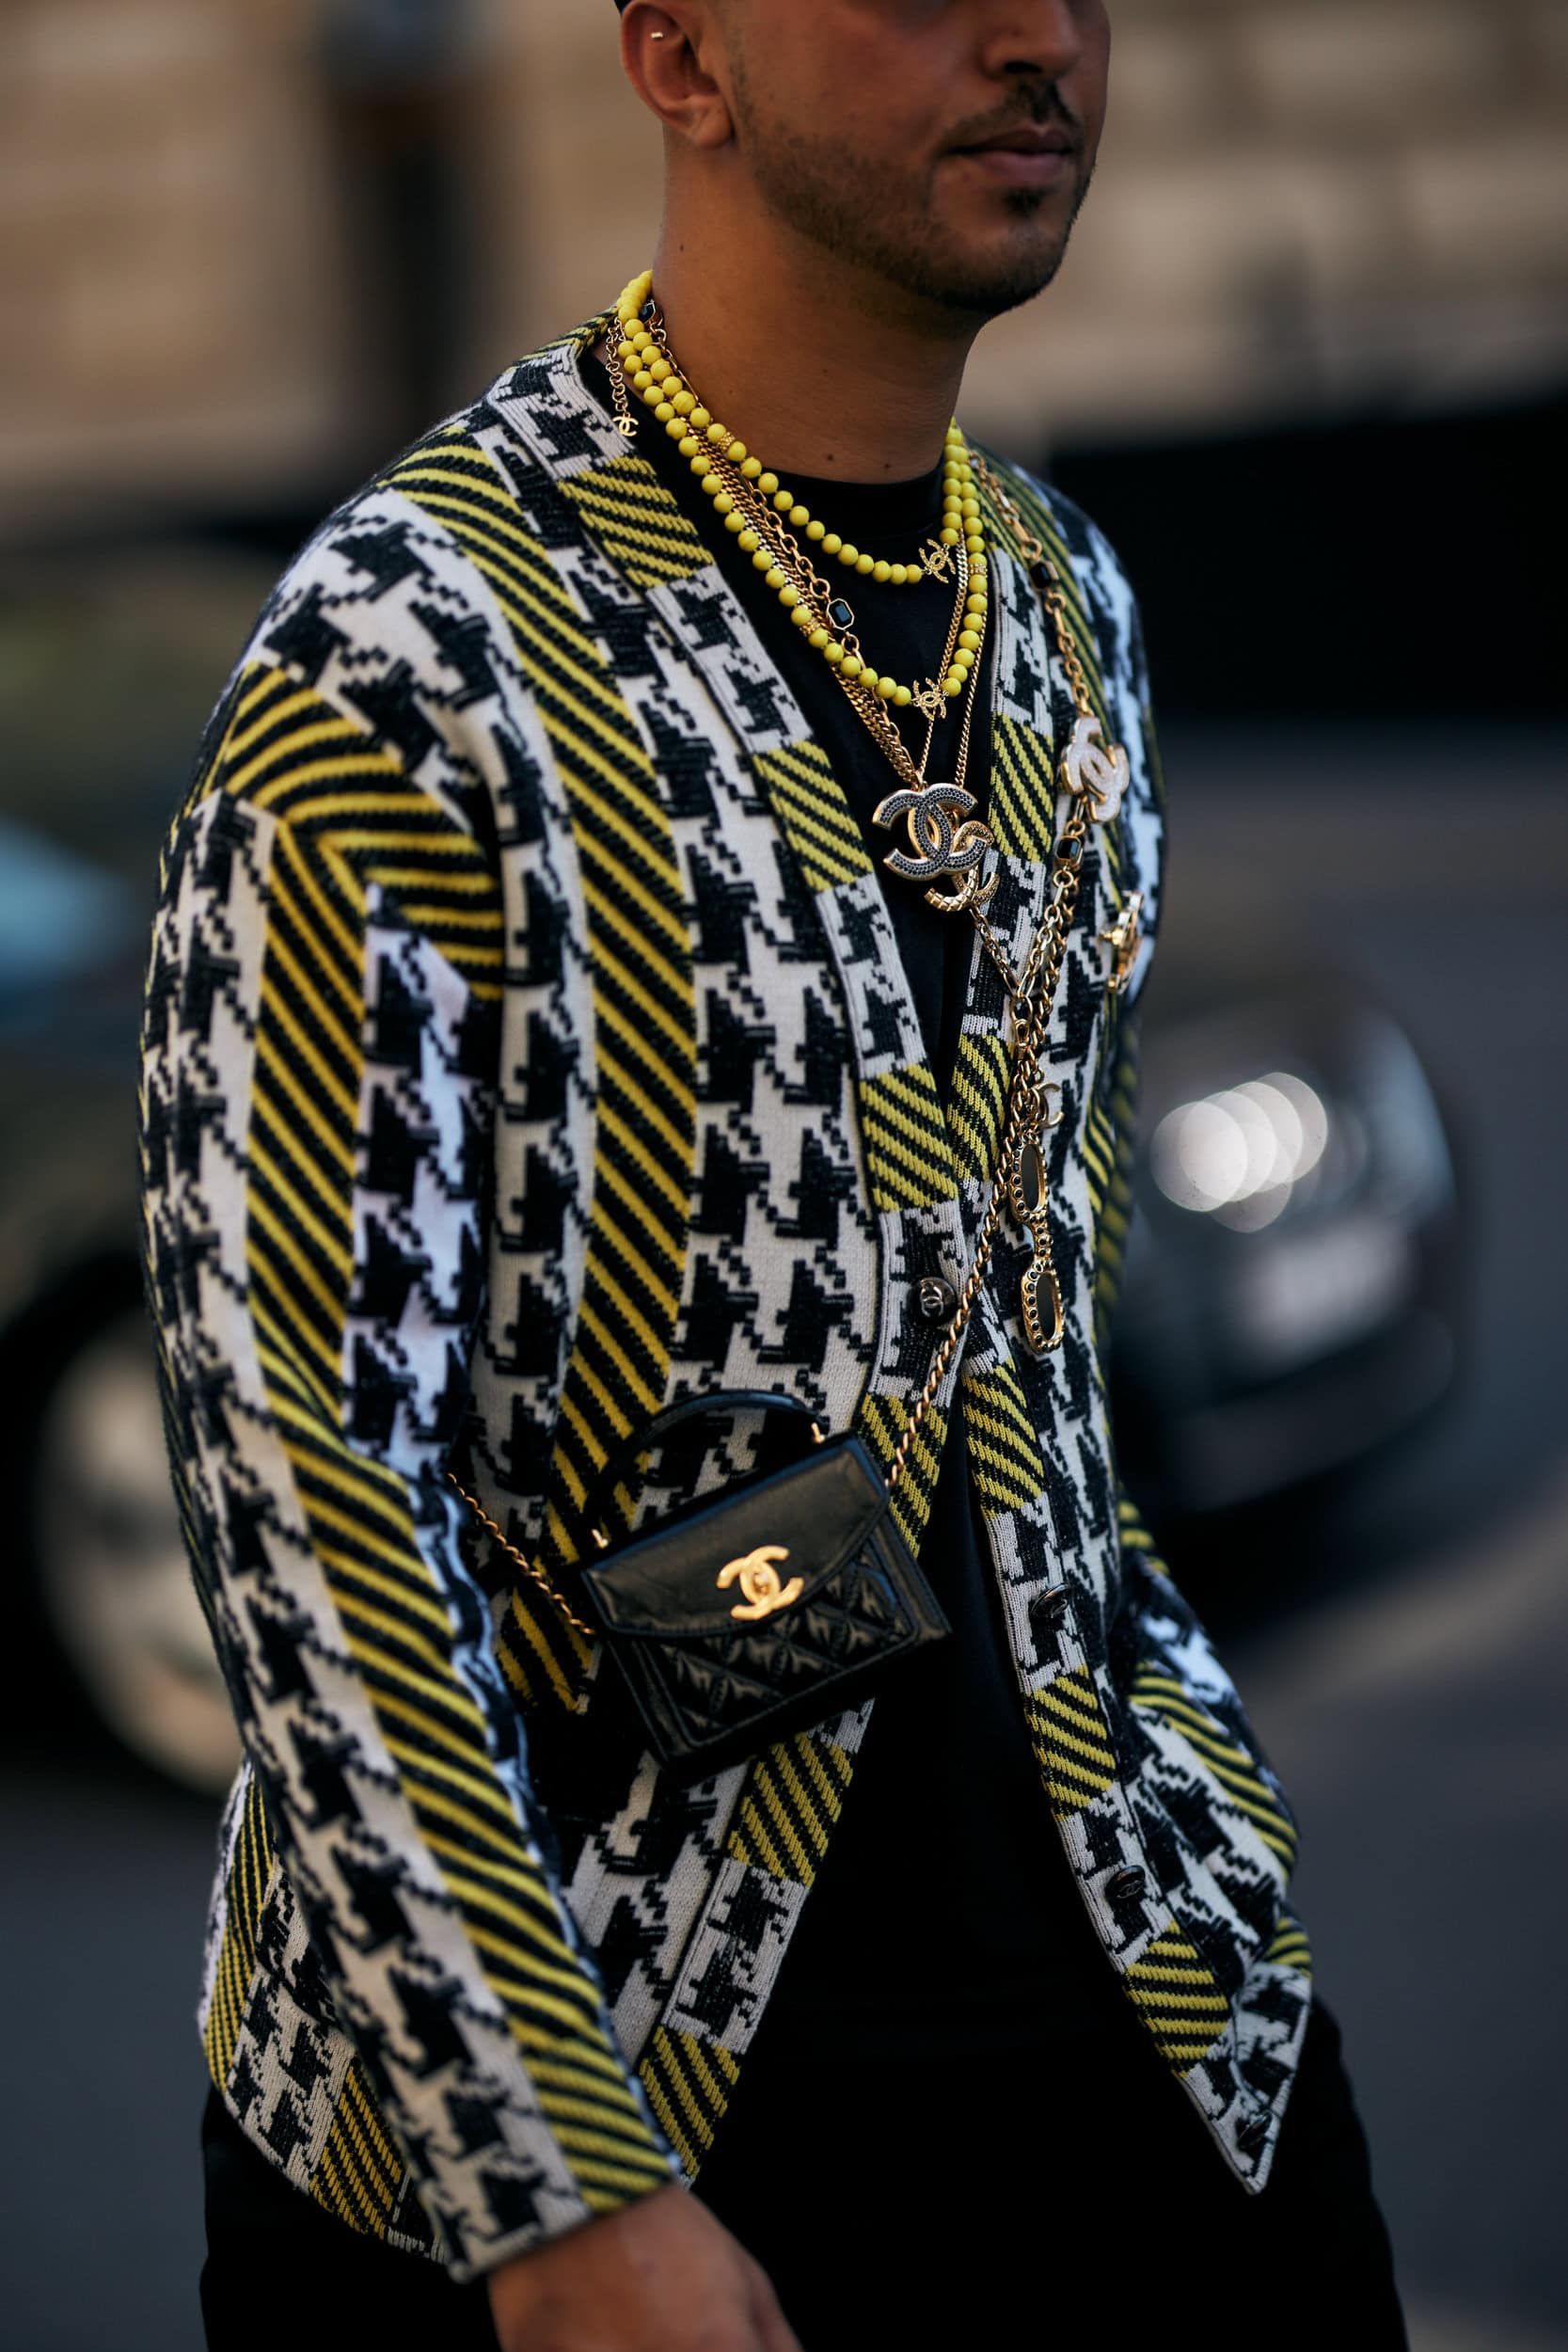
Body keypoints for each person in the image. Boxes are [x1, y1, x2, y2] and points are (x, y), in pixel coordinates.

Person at [139, 3, 1407, 2345]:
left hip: (1150, 2009)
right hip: (603, 2093)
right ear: (681, 59)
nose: (1038, 39)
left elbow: (1038, 1367)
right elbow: (297, 1461)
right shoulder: (415, 649)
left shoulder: (1065, 605)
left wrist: (1214, 1852)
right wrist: (553, 2182)